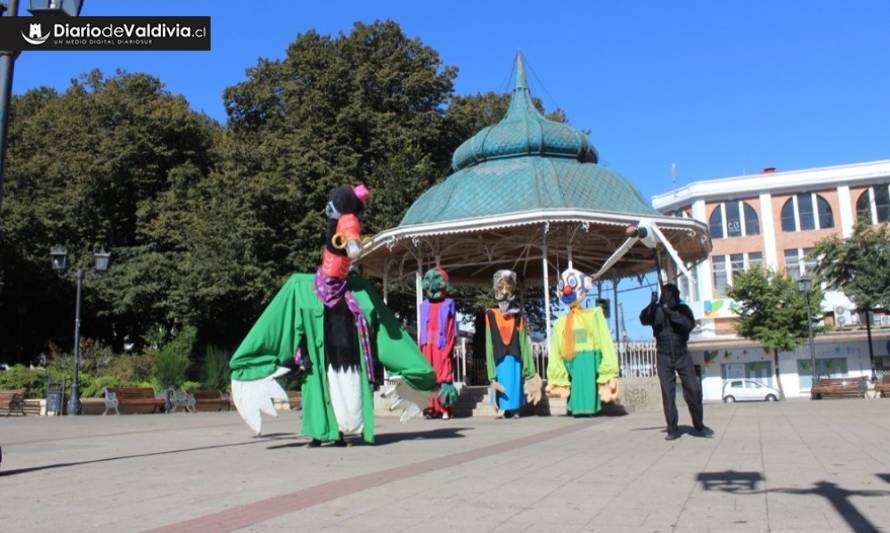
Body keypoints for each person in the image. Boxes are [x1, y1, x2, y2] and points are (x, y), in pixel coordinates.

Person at [640, 283, 713, 440]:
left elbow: (689, 324)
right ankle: (672, 428)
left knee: (693, 389)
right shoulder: (656, 310)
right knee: (668, 393)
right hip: (663, 356)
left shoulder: (683, 310)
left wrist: (671, 313)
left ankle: (698, 425)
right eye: (664, 294)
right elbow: (644, 319)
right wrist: (651, 305)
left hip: (682, 355)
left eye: (669, 295)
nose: (665, 297)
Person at [546, 268, 619, 415]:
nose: (566, 289)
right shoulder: (561, 322)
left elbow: (604, 340)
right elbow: (555, 349)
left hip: (588, 355)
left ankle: (586, 408)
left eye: (571, 284)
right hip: (570, 357)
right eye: (563, 286)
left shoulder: (594, 315)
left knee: (586, 383)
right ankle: (575, 408)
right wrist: (556, 375)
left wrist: (609, 371)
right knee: (577, 384)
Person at [484, 270, 542, 418]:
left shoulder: (518, 316)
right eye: (501, 288)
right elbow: (489, 344)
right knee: (504, 381)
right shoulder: (491, 315)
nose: (504, 292)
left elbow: (523, 342)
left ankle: (515, 408)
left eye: (508, 288)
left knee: (514, 382)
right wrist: (491, 375)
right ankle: (506, 408)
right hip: (500, 359)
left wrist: (530, 372)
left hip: (515, 357)